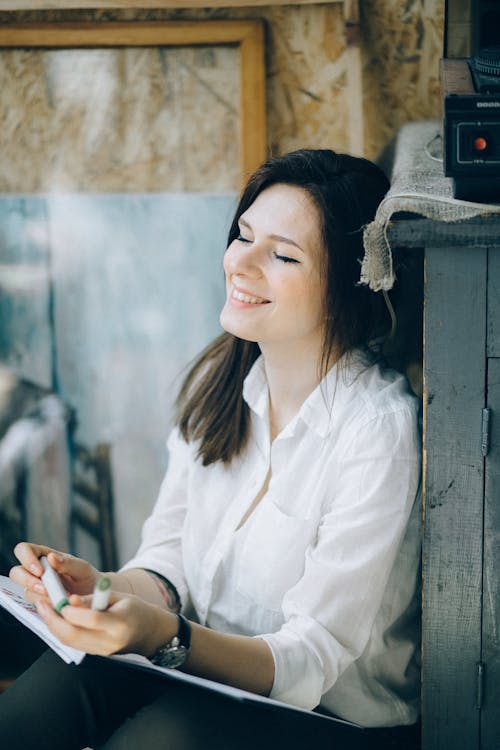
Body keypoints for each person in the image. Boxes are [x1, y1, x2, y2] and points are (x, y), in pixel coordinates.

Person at [0, 149, 421, 750]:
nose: (240, 263)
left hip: (331, 718)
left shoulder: (377, 430)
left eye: (282, 255)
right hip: (206, 677)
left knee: (162, 740)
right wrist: (103, 590)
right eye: (243, 236)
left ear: (347, 285)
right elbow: (169, 559)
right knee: (42, 700)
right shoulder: (219, 385)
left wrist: (162, 636)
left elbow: (309, 658)